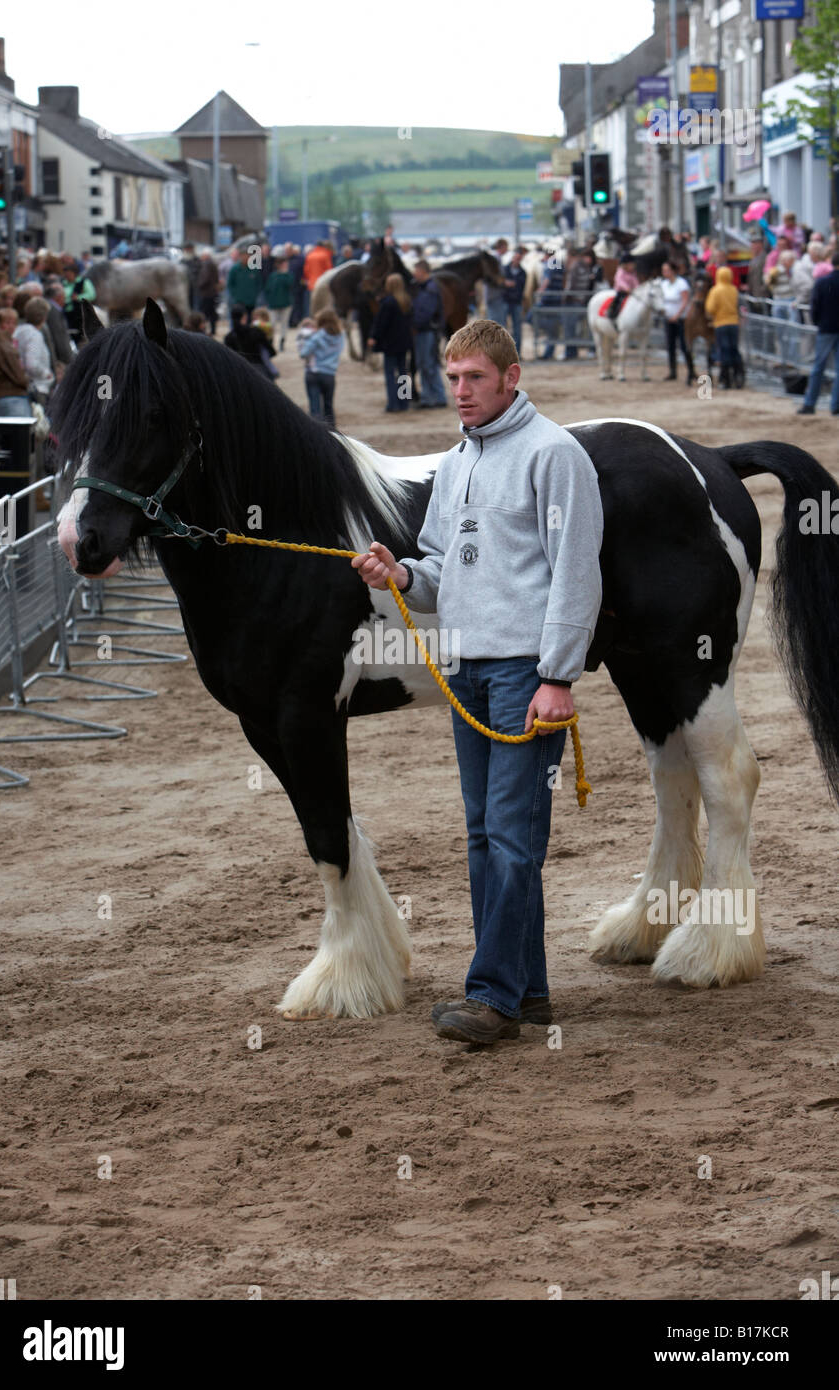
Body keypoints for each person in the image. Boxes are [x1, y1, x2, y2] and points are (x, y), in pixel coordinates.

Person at [350, 319, 603, 1045]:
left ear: (511, 376)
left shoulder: (555, 454)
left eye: (475, 379)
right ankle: (527, 994)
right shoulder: (458, 461)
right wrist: (397, 573)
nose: (459, 391)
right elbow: (434, 575)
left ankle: (491, 997)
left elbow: (577, 575)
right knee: (487, 835)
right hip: (465, 671)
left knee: (514, 837)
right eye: (452, 378)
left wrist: (558, 677)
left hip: (526, 672)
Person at [797, 250, 839, 416]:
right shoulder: (823, 283)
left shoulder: (822, 282)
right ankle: (835, 405)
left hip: (826, 328)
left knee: (818, 367)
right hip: (832, 327)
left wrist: (818, 322)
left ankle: (810, 404)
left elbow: (815, 305)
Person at [367, 272, 413, 413]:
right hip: (404, 342)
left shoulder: (388, 303)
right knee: (403, 373)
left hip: (390, 343)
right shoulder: (406, 300)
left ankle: (393, 404)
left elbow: (381, 323)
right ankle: (404, 403)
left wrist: (373, 337)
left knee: (390, 373)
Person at [298, 306, 344, 426]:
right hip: (329, 374)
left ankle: (316, 436)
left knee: (315, 408)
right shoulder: (340, 336)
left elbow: (303, 353)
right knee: (328, 406)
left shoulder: (317, 336)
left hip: (314, 372)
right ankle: (332, 433)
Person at [410, 259, 446, 408]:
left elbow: (426, 312)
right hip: (425, 331)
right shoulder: (426, 288)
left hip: (426, 332)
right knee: (426, 364)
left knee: (428, 364)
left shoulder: (429, 289)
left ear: (423, 271)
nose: (414, 274)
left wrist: (415, 325)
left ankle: (435, 397)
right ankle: (430, 397)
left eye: (416, 271)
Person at [705, 266, 745, 390]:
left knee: (724, 350)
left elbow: (710, 308)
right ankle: (739, 375)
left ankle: (726, 379)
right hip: (734, 323)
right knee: (734, 349)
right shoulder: (734, 290)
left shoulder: (715, 290)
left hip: (721, 324)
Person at [14, 297, 55, 404]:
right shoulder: (34, 335)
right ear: (44, 317)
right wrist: (47, 373)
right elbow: (31, 363)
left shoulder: (18, 331)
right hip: (36, 389)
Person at [660, 260, 695, 384]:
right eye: (663, 270)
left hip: (681, 319)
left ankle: (691, 371)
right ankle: (673, 371)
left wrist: (677, 315)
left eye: (667, 270)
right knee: (670, 346)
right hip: (668, 318)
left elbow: (685, 300)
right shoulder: (664, 284)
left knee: (684, 346)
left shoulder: (681, 283)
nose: (664, 273)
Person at [224, 304, 278, 382]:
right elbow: (270, 350)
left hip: (238, 374)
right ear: (245, 317)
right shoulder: (256, 332)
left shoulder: (228, 337)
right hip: (259, 371)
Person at [264, 257, 293, 351]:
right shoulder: (273, 276)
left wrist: (285, 274)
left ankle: (282, 341)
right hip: (274, 304)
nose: (285, 266)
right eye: (284, 264)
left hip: (286, 304)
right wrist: (268, 301)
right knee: (272, 324)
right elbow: (268, 289)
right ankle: (271, 342)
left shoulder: (288, 275)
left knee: (284, 324)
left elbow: (290, 284)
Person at [501, 247, 527, 352]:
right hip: (506, 301)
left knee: (517, 329)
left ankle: (517, 352)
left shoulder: (523, 272)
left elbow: (521, 287)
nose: (517, 260)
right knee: (503, 328)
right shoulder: (504, 269)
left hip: (516, 302)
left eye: (519, 258)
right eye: (516, 257)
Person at [227, 248, 265, 316]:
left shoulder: (254, 269)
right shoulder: (235, 269)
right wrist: (235, 295)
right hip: (239, 301)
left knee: (251, 320)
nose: (245, 258)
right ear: (240, 257)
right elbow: (230, 284)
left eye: (247, 256)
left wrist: (255, 295)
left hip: (251, 301)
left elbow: (259, 283)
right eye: (243, 256)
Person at [484, 239, 509, 326]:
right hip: (494, 295)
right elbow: (493, 278)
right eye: (506, 247)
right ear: (502, 247)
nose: (507, 249)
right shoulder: (495, 259)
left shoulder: (496, 258)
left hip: (494, 295)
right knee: (496, 323)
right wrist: (505, 283)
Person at [607, 253, 638, 321]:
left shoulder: (633, 272)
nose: (633, 266)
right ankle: (613, 313)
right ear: (626, 264)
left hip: (631, 292)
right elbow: (619, 281)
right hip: (621, 291)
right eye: (631, 264)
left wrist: (637, 288)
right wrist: (627, 288)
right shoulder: (620, 271)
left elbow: (635, 281)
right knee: (618, 300)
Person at [196, 254, 220, 335]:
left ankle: (203, 331)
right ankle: (213, 330)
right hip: (212, 292)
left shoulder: (206, 265)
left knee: (204, 313)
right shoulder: (213, 264)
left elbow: (205, 278)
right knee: (212, 313)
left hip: (206, 293)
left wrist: (199, 285)